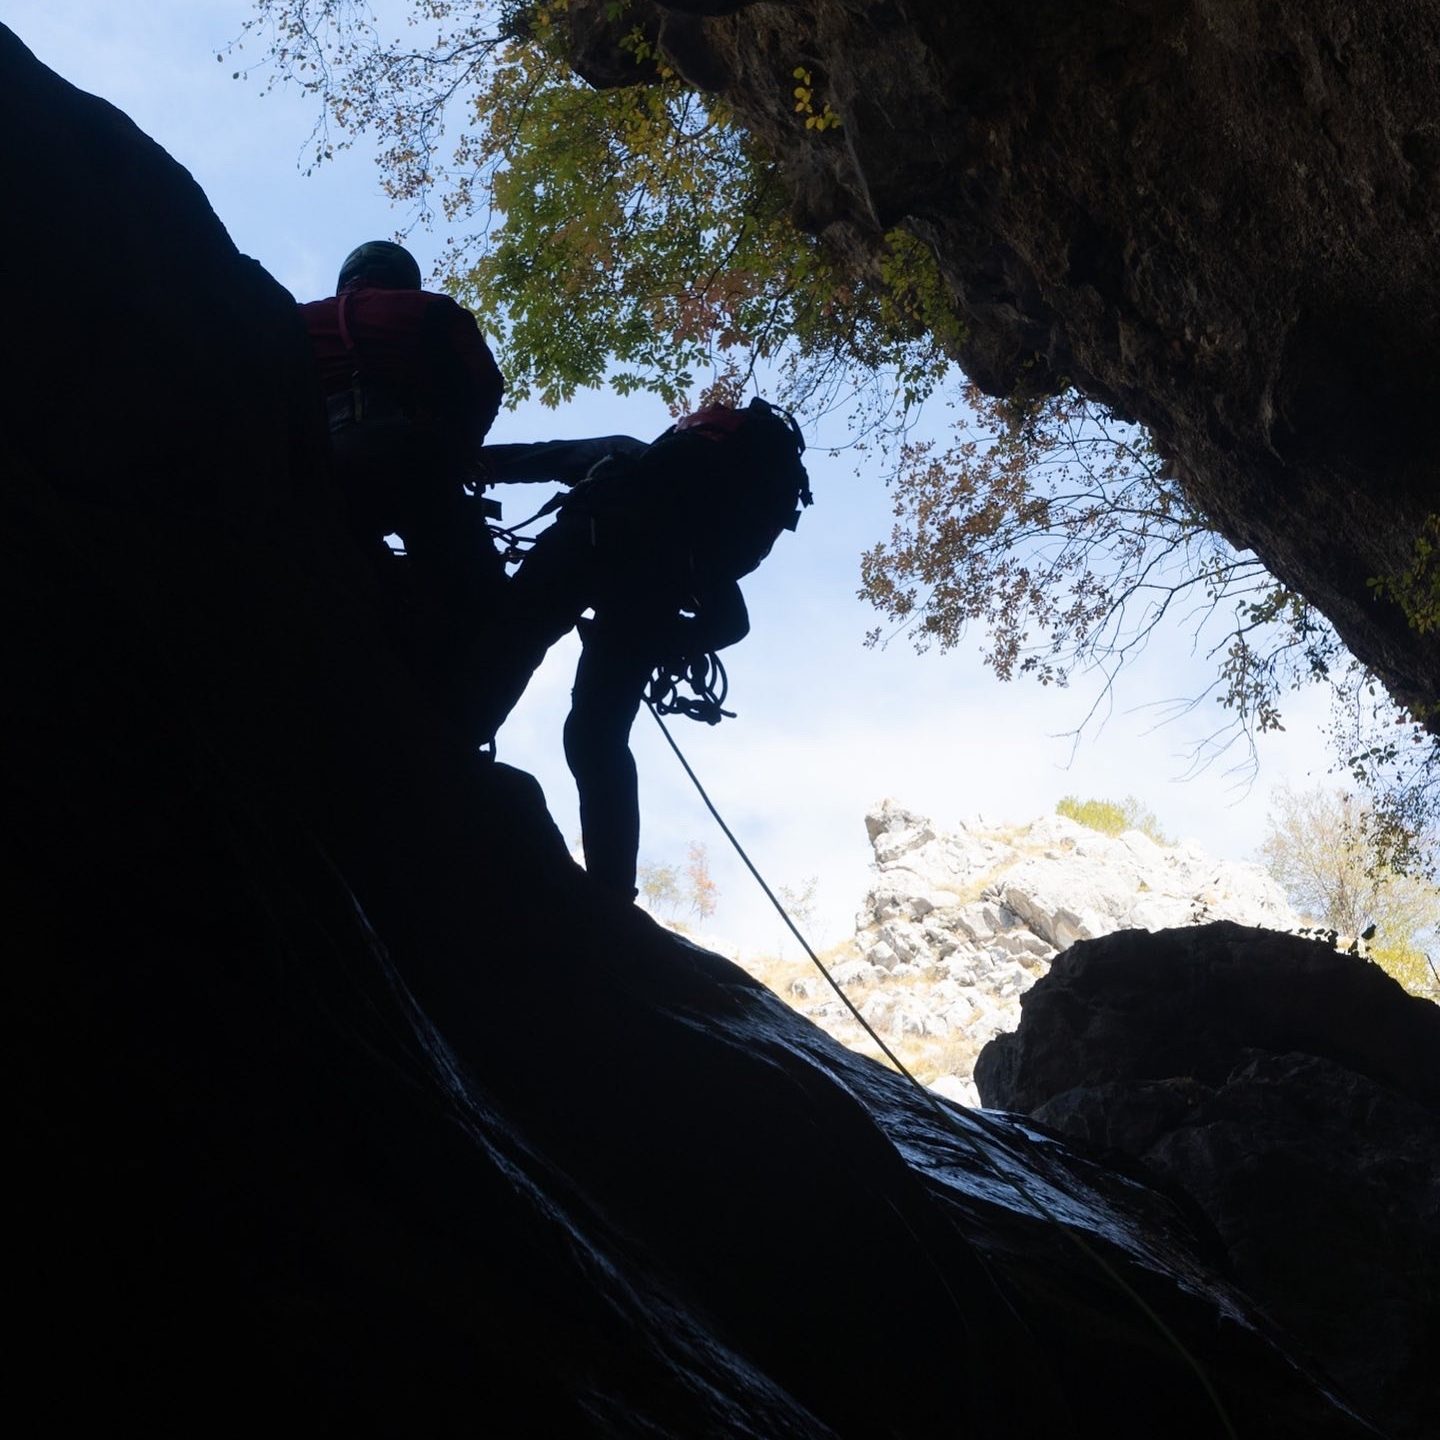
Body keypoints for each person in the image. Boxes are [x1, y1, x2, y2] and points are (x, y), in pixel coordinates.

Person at [468, 399, 812, 897]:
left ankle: (461, 737)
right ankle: (611, 894)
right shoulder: (707, 532)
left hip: (588, 536)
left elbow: (547, 456)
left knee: (516, 640)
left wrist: (477, 463)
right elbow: (733, 625)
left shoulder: (628, 459)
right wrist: (665, 642)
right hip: (655, 595)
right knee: (596, 736)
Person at [299, 241, 505, 697]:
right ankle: (448, 695)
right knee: (482, 600)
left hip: (327, 465)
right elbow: (484, 385)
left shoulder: (296, 320)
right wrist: (464, 448)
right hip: (415, 458)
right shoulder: (431, 309)